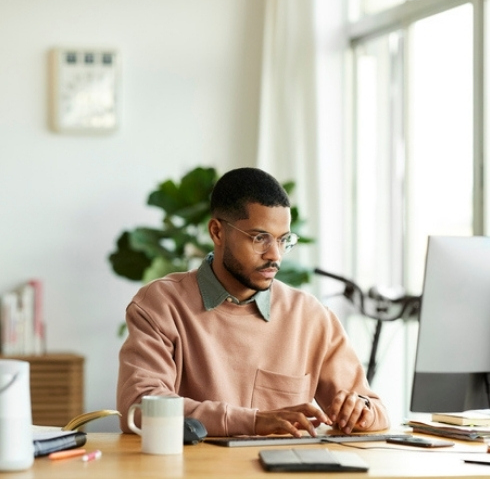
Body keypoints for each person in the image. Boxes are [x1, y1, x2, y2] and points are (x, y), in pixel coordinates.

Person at [117, 167, 390, 437]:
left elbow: (376, 411)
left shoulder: (311, 316)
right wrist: (253, 421)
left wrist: (360, 410)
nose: (275, 256)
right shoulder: (161, 305)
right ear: (217, 232)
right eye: (260, 239)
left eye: (283, 240)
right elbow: (139, 408)